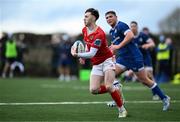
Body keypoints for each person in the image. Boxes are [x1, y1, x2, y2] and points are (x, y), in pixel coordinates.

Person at [105, 10, 170, 111]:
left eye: (110, 17)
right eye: (107, 18)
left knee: (145, 80)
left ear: (116, 17)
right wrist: (111, 50)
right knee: (109, 75)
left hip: (134, 58)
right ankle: (118, 98)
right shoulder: (111, 31)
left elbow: (130, 36)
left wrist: (118, 46)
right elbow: (114, 46)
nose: (109, 19)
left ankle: (164, 98)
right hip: (123, 58)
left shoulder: (121, 25)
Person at [71, 8, 127, 118]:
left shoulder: (99, 34)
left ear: (94, 18)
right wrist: (83, 55)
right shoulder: (84, 30)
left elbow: (92, 53)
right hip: (96, 63)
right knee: (93, 90)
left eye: (87, 16)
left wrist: (77, 55)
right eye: (84, 16)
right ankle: (116, 87)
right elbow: (88, 44)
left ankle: (122, 109)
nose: (84, 18)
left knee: (109, 86)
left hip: (107, 60)